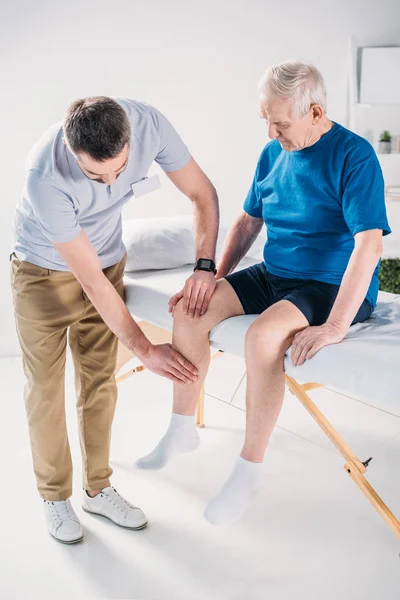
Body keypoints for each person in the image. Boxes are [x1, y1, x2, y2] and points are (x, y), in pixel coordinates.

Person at [135, 60, 391, 526]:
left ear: (315, 112)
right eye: (266, 120)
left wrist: (335, 326)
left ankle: (248, 469)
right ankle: (180, 427)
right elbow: (249, 219)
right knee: (192, 312)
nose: (272, 132)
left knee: (262, 337)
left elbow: (369, 244)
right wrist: (214, 275)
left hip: (330, 285)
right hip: (276, 273)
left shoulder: (354, 156)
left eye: (281, 122)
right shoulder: (273, 153)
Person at [11, 96, 219, 543]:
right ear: (70, 149)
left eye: (119, 171)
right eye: (95, 175)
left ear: (130, 139)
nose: (110, 184)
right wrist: (146, 348)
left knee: (99, 380)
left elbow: (202, 193)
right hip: (42, 272)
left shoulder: (149, 124)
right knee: (46, 390)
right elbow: (89, 281)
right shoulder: (43, 177)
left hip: (109, 262)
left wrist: (204, 266)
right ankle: (55, 497)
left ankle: (97, 489)